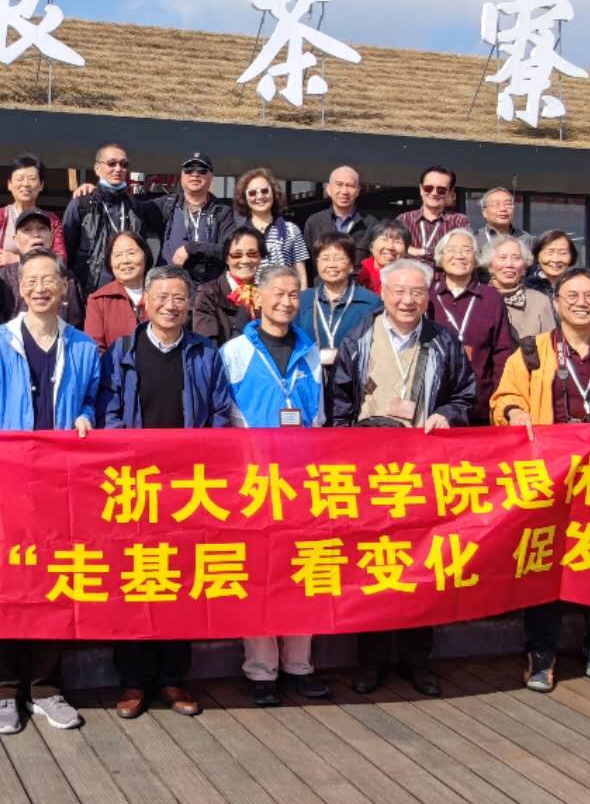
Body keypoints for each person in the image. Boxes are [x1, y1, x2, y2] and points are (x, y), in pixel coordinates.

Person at [490, 267, 590, 700]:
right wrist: (513, 412)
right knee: (543, 562)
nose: (582, 303)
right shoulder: (531, 351)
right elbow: (504, 397)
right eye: (572, 296)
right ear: (557, 302)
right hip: (549, 478)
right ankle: (541, 653)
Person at [0, 249, 104, 735]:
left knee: (56, 583)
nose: (41, 288)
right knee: (3, 584)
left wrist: (86, 415)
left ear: (65, 288)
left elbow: (93, 399)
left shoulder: (83, 346)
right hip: (7, 487)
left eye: (50, 280)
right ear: (20, 289)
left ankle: (46, 686)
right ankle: (2, 689)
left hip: (61, 486)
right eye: (31, 281)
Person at [326, 258, 476, 697]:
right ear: (383, 293)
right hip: (370, 470)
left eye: (416, 292)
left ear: (428, 296)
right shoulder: (358, 338)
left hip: (424, 468)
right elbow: (338, 405)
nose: (407, 300)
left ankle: (417, 661)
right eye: (399, 291)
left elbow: (465, 395)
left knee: (422, 564)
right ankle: (370, 661)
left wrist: (448, 414)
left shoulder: (443, 341)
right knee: (373, 565)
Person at [99, 264, 237, 719]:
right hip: (135, 484)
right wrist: (128, 457)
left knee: (181, 581)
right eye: (161, 297)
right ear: (145, 303)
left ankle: (174, 678)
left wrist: (202, 460)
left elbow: (219, 412)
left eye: (179, 298)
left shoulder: (204, 353)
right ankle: (134, 680)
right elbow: (109, 412)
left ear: (190, 304)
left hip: (187, 486)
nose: (170, 306)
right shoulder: (121, 351)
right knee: (136, 579)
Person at [217, 261, 335, 706]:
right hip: (253, 481)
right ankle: (261, 670)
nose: (286, 302)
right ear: (259, 297)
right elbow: (224, 415)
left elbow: (319, 415)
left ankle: (299, 665)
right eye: (278, 294)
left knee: (303, 571)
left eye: (293, 295)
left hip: (302, 479)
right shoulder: (234, 352)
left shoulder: (310, 351)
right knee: (257, 574)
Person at [429, 228, 513, 424]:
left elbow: (502, 352)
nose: (459, 256)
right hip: (434, 404)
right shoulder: (428, 296)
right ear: (440, 257)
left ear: (476, 259)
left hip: (480, 403)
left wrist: (497, 397)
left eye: (467, 250)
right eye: (452, 250)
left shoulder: (491, 298)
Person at [0, 209, 81, 335]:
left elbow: (77, 322)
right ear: (16, 240)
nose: (36, 234)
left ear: (51, 238)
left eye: (42, 228)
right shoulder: (1, 279)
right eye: (27, 230)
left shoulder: (68, 279)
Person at [63, 142, 150, 293]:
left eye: (124, 164)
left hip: (127, 287)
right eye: (111, 163)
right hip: (88, 289)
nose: (118, 169)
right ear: (97, 168)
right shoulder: (82, 202)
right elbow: (66, 248)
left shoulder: (134, 206)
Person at [0, 154, 66, 280]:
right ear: (9, 184)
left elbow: (61, 261)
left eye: (32, 179)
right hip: (3, 288)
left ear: (41, 185)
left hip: (41, 287)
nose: (26, 184)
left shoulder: (52, 220)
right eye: (20, 178)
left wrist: (18, 260)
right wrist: (2, 286)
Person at [153, 152, 238, 284]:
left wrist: (192, 248)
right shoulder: (167, 205)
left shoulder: (223, 211)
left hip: (209, 289)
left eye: (202, 170)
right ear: (181, 175)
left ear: (211, 176)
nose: (195, 174)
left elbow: (230, 249)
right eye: (189, 170)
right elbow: (134, 210)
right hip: (171, 286)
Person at [305, 234, 381, 374]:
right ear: (317, 264)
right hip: (309, 377)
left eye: (339, 259)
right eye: (325, 259)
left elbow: (378, 347)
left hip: (354, 378)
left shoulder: (371, 302)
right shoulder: (303, 300)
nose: (332, 265)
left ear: (351, 266)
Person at [235, 166, 309, 284]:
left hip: (285, 294)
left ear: (274, 193)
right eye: (252, 193)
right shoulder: (239, 234)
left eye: (265, 191)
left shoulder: (291, 229)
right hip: (251, 294)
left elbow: (301, 274)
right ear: (244, 198)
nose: (259, 196)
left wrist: (303, 295)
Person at [192, 227, 265, 345]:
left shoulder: (267, 293)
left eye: (252, 254)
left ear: (260, 258)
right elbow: (207, 346)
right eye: (237, 255)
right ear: (227, 259)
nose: (245, 260)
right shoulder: (208, 293)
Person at [82, 231, 154, 351]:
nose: (125, 261)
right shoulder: (99, 300)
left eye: (131, 253)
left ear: (145, 255)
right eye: (118, 255)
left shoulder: (162, 294)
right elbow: (94, 349)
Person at [487, 238, 557, 342]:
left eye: (516, 258)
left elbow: (550, 345)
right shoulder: (480, 300)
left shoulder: (540, 300)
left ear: (524, 268)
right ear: (490, 266)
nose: (509, 264)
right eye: (502, 258)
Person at [396, 165, 469, 260]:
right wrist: (440, 253)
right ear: (421, 189)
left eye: (441, 190)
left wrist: (422, 252)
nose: (434, 193)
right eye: (428, 188)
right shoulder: (403, 220)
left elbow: (462, 254)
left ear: (450, 193)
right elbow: (395, 250)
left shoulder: (458, 221)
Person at [302, 165, 374, 259]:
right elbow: (308, 263)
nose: (344, 191)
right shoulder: (314, 222)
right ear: (328, 189)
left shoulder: (371, 224)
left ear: (357, 191)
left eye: (350, 186)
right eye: (339, 184)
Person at [472, 187, 536, 264]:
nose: (503, 209)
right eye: (496, 204)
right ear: (484, 212)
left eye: (508, 204)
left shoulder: (526, 239)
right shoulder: (475, 240)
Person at [357, 221, 409, 293]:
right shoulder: (357, 276)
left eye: (397, 242)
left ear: (406, 250)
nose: (390, 247)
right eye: (384, 240)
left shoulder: (413, 278)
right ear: (371, 246)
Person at [531, 229, 576, 294]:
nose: (556, 259)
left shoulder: (581, 285)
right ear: (537, 256)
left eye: (563, 253)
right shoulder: (526, 287)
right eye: (549, 253)